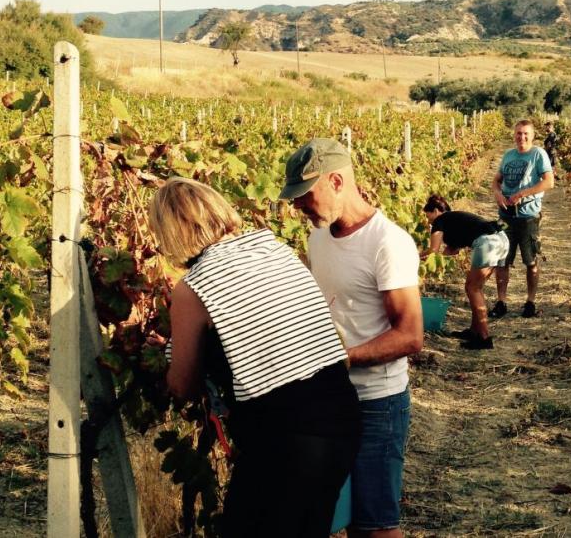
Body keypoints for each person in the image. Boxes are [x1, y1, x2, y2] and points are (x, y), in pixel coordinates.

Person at [149, 177, 361, 538]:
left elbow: (182, 385)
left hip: (286, 438)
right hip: (341, 416)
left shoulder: (194, 286)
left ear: (170, 233)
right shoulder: (273, 248)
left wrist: (158, 358)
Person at [279, 138, 423, 538]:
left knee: (377, 524)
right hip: (331, 399)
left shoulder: (387, 243)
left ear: (337, 181)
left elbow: (410, 337)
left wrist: (342, 358)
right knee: (347, 520)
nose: (298, 207)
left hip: (378, 402)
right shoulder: (318, 237)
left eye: (305, 196)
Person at [423, 195, 509, 350]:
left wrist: (413, 256)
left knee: (472, 288)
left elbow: (433, 251)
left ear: (435, 211)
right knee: (476, 287)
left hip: (488, 243)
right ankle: (474, 331)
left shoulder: (439, 221)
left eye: (427, 215)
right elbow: (449, 253)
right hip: (501, 240)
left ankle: (484, 338)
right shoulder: (453, 222)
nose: (428, 221)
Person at [490, 120, 555, 319]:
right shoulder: (509, 155)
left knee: (531, 260)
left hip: (528, 216)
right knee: (502, 261)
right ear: (514, 135)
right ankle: (501, 302)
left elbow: (549, 182)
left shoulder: (538, 154)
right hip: (506, 216)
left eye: (526, 133)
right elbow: (496, 180)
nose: (522, 137)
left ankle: (530, 302)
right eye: (519, 133)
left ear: (533, 136)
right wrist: (498, 194)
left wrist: (523, 194)